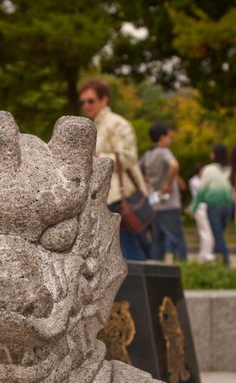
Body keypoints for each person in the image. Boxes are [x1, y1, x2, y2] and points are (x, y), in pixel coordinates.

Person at [79, 77, 150, 260]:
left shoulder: (118, 124)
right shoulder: (93, 126)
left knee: (129, 251)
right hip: (104, 199)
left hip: (120, 198)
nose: (86, 105)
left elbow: (128, 157)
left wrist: (98, 157)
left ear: (105, 99)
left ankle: (139, 288)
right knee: (118, 253)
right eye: (83, 102)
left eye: (91, 100)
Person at [141, 122, 187, 262]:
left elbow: (137, 169)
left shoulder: (148, 154)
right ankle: (184, 268)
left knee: (157, 240)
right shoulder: (164, 152)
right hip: (169, 203)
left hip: (155, 203)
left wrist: (146, 181)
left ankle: (155, 268)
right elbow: (174, 165)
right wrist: (168, 184)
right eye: (168, 136)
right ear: (162, 138)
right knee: (177, 237)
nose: (170, 140)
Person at [197, 143, 234, 265]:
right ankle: (218, 258)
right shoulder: (229, 168)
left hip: (214, 206)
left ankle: (225, 262)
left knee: (217, 236)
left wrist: (194, 206)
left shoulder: (208, 169)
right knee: (219, 234)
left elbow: (202, 189)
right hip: (228, 206)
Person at [189, 162, 215, 263]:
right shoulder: (194, 181)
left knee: (207, 231)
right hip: (199, 208)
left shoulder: (204, 180)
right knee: (205, 232)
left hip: (206, 208)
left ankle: (205, 253)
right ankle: (205, 254)